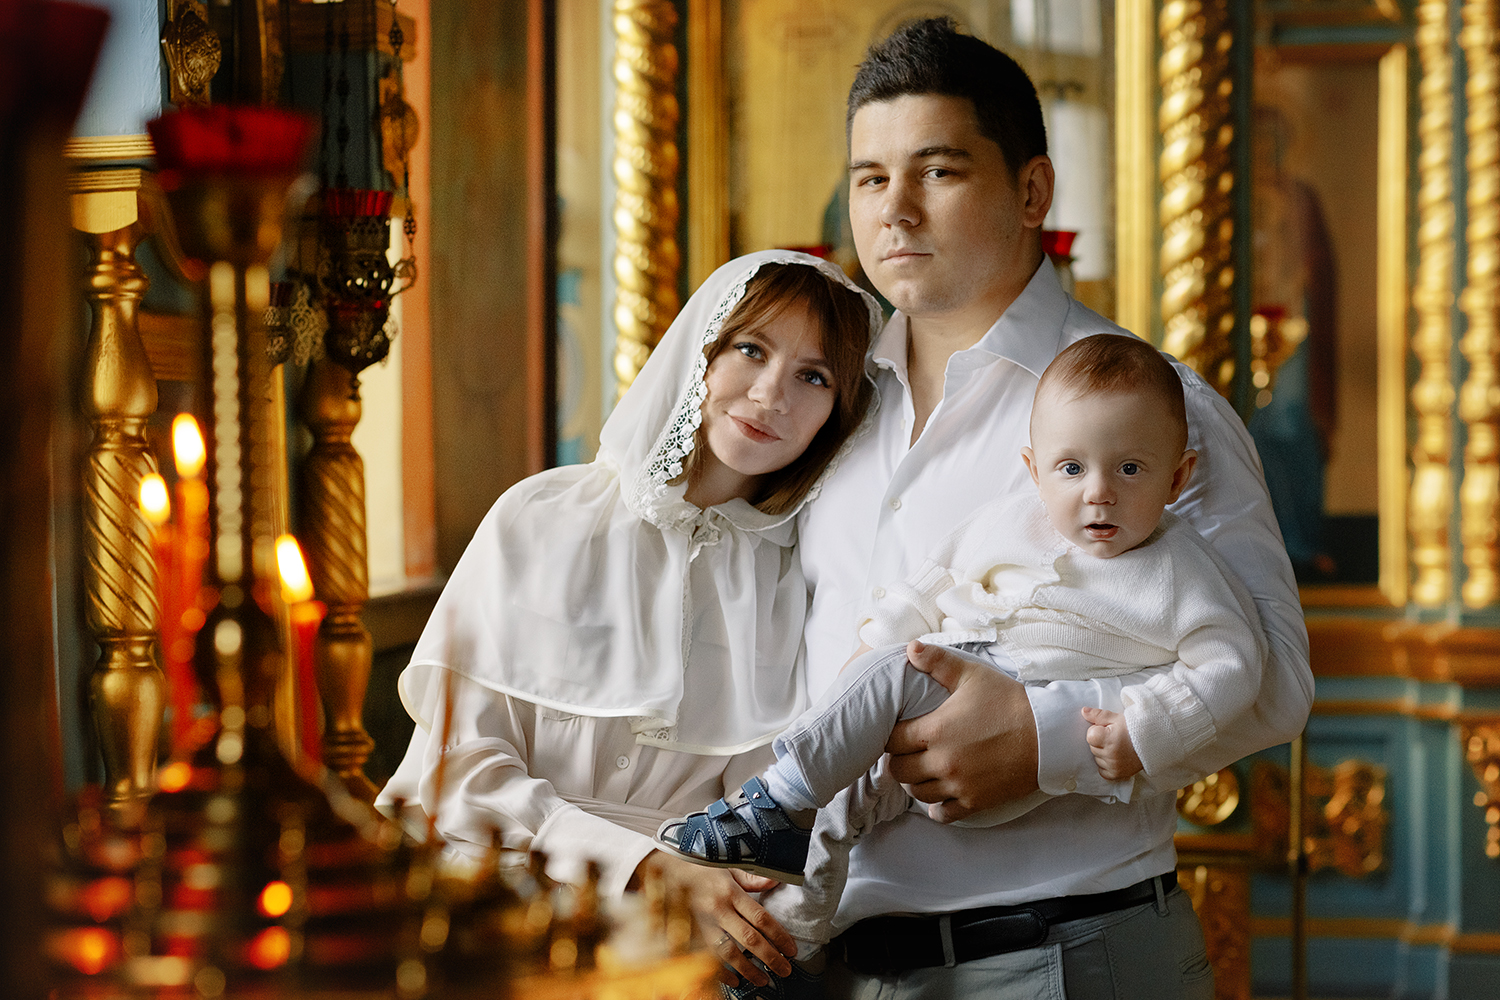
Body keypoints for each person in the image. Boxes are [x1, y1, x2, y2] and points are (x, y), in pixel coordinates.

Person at [781, 17, 1311, 999]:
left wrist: (1049, 739)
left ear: (1032, 191)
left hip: (1068, 957)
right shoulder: (826, 410)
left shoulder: (1155, 409)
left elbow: (1278, 685)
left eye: (937, 171)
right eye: (870, 178)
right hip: (841, 968)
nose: (895, 210)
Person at [653, 334, 1266, 982]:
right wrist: (880, 637)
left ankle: (774, 801)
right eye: (1071, 469)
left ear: (1177, 478)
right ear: (1034, 471)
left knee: (894, 670)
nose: (1099, 493)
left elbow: (1235, 664)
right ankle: (793, 939)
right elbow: (930, 582)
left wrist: (1143, 729)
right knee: (846, 801)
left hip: (1020, 771)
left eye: (1131, 470)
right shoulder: (1010, 521)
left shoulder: (1179, 568)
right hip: (904, 838)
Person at [374, 250, 884, 989]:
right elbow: (458, 775)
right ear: (701, 348)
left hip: (681, 950)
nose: (771, 393)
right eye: (751, 349)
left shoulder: (793, 579)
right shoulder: (540, 517)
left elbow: (766, 815)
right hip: (489, 916)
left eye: (815, 376)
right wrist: (645, 865)